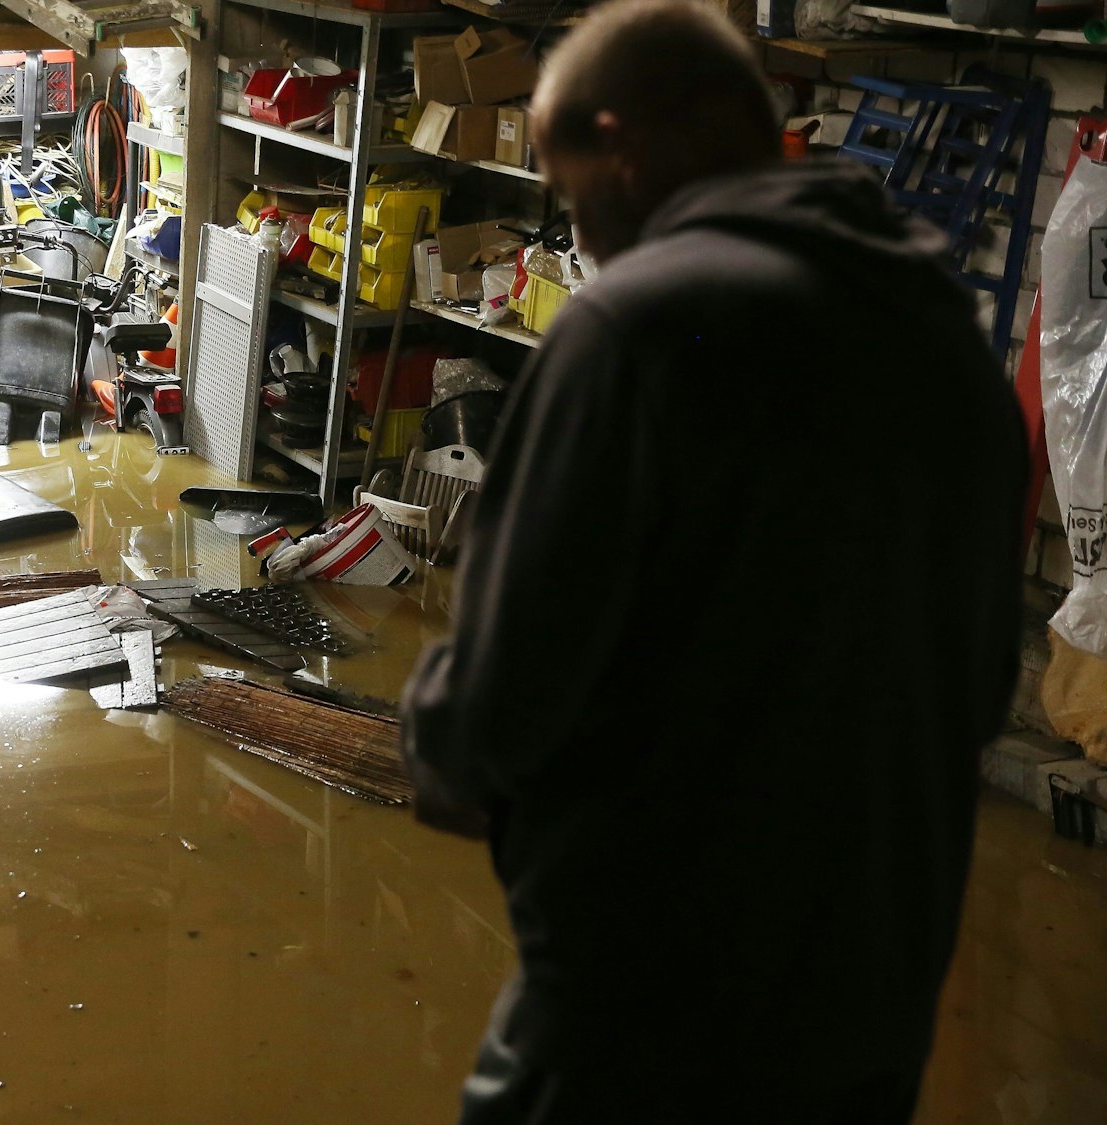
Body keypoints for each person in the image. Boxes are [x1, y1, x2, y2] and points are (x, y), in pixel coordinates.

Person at [398, 1, 1026, 1121]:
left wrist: (434, 742)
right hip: (869, 1001)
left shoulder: (633, 329)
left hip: (642, 1013)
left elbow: (489, 713)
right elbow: (974, 688)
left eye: (564, 183)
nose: (573, 227)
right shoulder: (938, 335)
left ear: (621, 146)